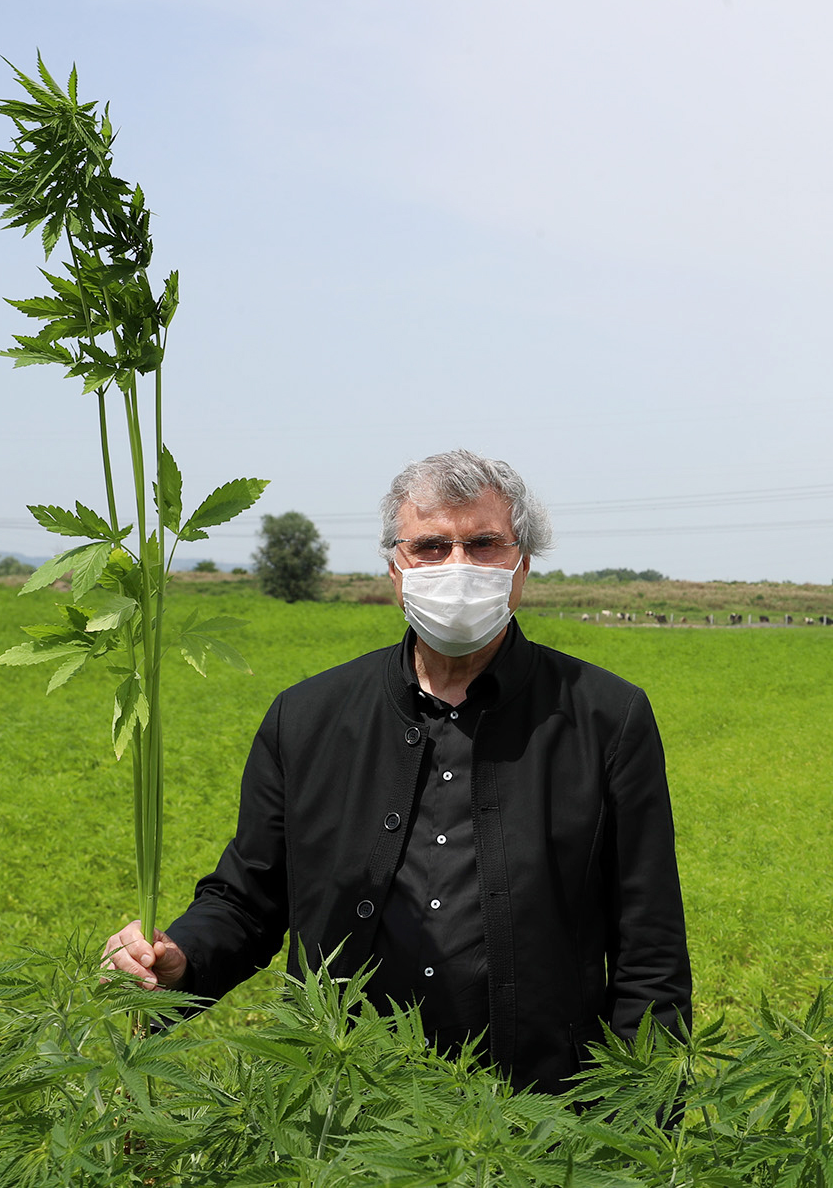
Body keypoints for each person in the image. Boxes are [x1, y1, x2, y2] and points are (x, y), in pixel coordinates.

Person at [104, 450, 691, 1091]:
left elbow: (649, 952)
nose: (458, 567)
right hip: (341, 1110)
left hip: (535, 1113)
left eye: (484, 544)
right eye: (432, 547)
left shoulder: (606, 718)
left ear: (522, 564)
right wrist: (181, 958)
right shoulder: (306, 718)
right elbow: (248, 900)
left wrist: (640, 1127)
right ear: (394, 568)